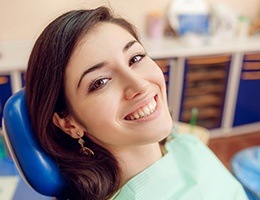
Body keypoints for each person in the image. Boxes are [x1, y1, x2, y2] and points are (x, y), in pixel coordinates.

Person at [25, 6, 248, 200]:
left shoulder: (183, 143)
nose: (140, 85)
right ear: (69, 124)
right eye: (101, 82)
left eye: (136, 58)